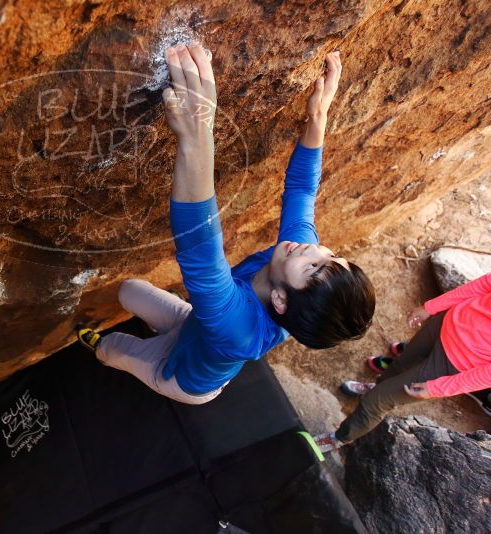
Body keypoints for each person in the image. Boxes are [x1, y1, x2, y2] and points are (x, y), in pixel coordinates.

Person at [77, 45, 374, 405]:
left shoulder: (240, 330)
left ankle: (97, 344)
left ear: (280, 299)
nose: (315, 248)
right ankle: (170, 327)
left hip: (183, 377)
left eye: (314, 265)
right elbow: (302, 190)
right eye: (331, 255)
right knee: (128, 291)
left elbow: (200, 248)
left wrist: (197, 134)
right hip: (197, 323)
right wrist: (318, 117)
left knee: (117, 350)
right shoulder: (295, 268)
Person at [316, 272, 491, 452]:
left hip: (456, 361)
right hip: (448, 321)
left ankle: (338, 438)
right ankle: (377, 385)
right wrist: (431, 308)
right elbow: (483, 285)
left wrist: (436, 388)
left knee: (375, 402)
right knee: (400, 366)